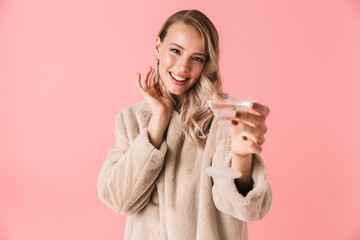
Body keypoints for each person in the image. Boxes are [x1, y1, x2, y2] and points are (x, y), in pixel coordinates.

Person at [97, 9, 272, 240]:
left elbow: (246, 208)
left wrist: (241, 155)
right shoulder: (130, 120)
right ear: (158, 47)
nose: (182, 67)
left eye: (196, 58)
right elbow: (118, 199)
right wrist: (158, 121)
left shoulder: (225, 116)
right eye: (175, 51)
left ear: (206, 63)